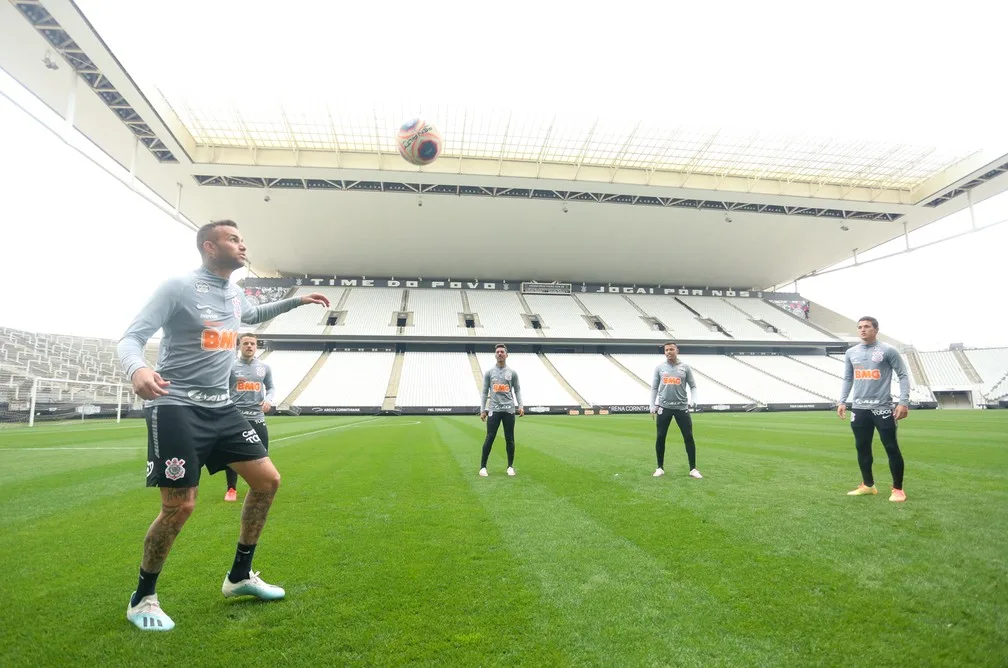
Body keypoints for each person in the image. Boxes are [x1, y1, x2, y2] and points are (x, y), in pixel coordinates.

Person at [117, 220, 330, 631]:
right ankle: (143, 597)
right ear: (210, 247)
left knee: (267, 482)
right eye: (234, 239)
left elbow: (253, 313)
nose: (243, 244)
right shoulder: (176, 287)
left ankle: (239, 577)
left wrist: (298, 301)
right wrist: (137, 369)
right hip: (176, 406)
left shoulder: (234, 294)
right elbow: (130, 337)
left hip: (222, 407)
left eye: (242, 238)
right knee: (180, 506)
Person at [837, 316, 910, 502]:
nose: (862, 330)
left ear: (876, 329)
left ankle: (898, 489)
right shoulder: (851, 352)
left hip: (883, 408)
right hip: (860, 409)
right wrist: (842, 401)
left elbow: (903, 375)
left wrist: (903, 402)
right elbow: (848, 378)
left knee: (891, 447)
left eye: (867, 327)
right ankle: (868, 485)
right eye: (860, 327)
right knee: (862, 447)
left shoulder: (887, 350)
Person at [224, 333, 275, 501]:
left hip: (257, 415)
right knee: (232, 454)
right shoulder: (230, 367)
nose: (249, 346)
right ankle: (231, 489)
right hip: (236, 416)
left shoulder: (264, 367)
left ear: (256, 346)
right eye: (246, 343)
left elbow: (271, 387)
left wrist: (268, 400)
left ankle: (260, 486)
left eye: (252, 343)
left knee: (262, 454)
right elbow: (222, 387)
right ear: (240, 346)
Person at [650, 342, 702, 479]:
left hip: (681, 407)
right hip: (664, 407)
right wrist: (652, 405)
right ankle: (660, 467)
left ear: (677, 350)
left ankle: (693, 469)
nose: (668, 352)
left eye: (671, 349)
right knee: (660, 437)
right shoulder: (659, 368)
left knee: (688, 437)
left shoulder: (685, 368)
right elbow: (654, 387)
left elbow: (693, 386)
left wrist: (694, 399)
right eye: (666, 350)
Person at [478, 344, 523, 477]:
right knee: (490, 437)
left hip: (509, 409)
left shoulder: (512, 373)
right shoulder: (489, 373)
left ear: (506, 355)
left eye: (502, 352)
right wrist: (482, 410)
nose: (500, 354)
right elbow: (485, 391)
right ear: (495, 355)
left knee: (510, 439)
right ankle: (483, 467)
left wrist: (520, 405)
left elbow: (517, 390)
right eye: (497, 352)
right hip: (494, 410)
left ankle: (510, 466)